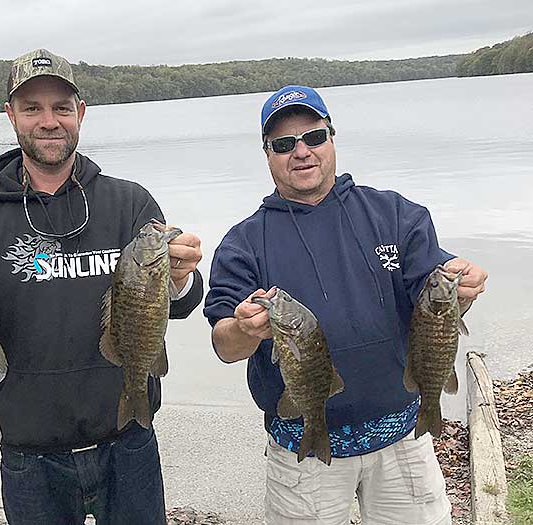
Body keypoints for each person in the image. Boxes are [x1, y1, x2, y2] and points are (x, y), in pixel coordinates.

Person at [0, 48, 203, 525]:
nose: (49, 121)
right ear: (11, 116)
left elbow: (177, 304)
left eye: (61, 107)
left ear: (81, 114)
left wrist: (179, 277)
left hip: (128, 443)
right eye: (32, 108)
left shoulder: (129, 202)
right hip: (30, 458)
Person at [203, 85, 487, 525]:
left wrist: (461, 288)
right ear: (267, 154)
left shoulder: (396, 214)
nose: (301, 152)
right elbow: (224, 345)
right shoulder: (244, 243)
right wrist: (243, 329)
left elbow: (434, 307)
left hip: (403, 438)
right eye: (284, 144)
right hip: (303, 450)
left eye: (313, 137)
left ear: (332, 138)